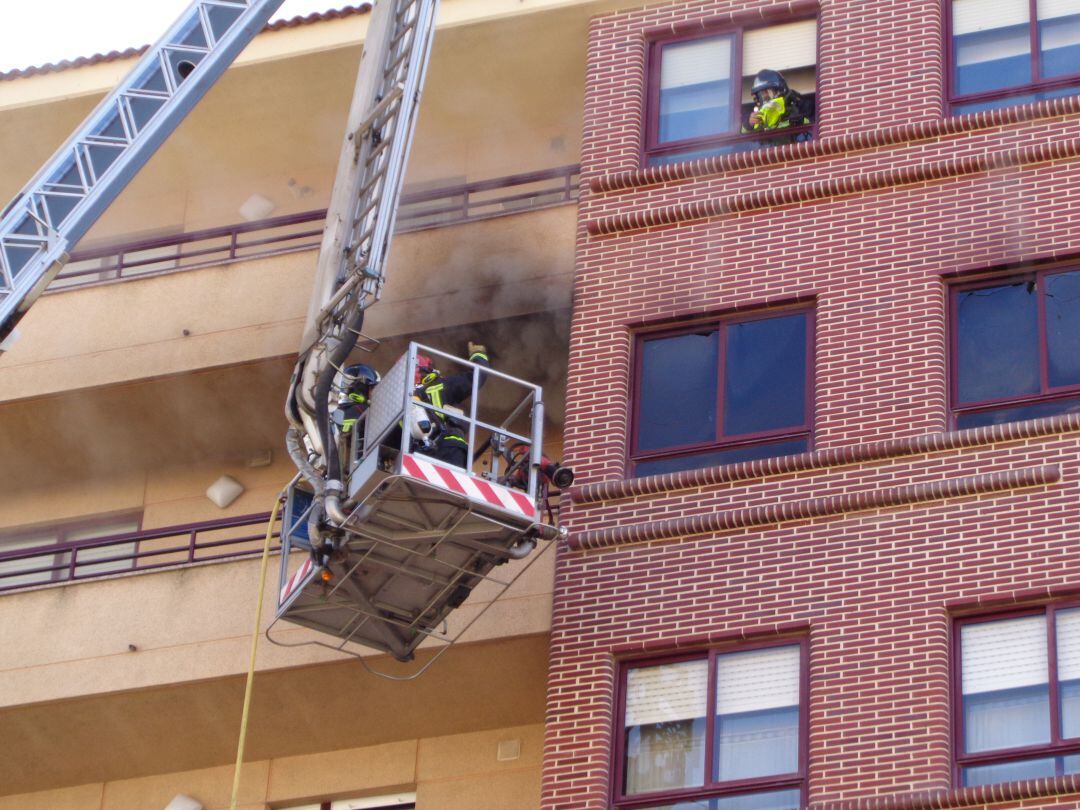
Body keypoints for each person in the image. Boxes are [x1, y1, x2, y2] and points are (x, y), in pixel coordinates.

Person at [413, 342, 490, 468]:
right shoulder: (441, 385)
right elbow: (478, 376)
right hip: (448, 448)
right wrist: (479, 355)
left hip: (425, 452)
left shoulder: (438, 386)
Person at [744, 69, 813, 134]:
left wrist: (801, 109)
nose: (765, 97)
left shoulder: (800, 108)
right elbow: (741, 136)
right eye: (761, 95)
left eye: (768, 92)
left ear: (780, 91)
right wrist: (748, 123)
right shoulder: (758, 117)